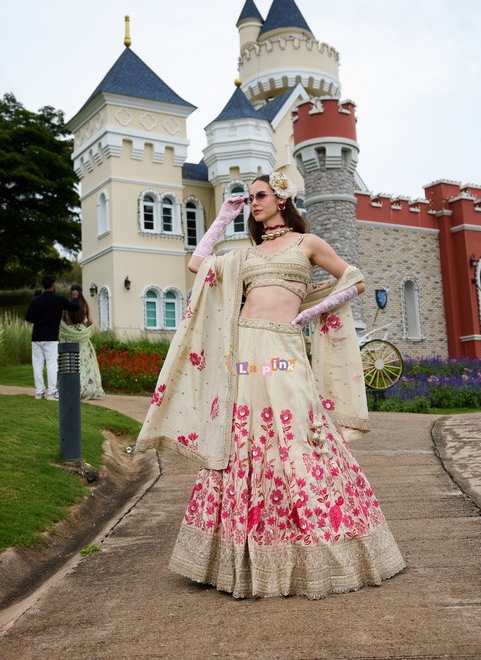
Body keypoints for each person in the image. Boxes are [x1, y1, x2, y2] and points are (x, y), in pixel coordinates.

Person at [136, 171, 405, 599]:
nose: (253, 203)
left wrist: (308, 314)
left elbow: (354, 279)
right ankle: (243, 555)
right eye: (249, 198)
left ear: (282, 198)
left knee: (299, 434)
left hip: (284, 351)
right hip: (244, 349)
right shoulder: (246, 254)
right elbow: (196, 264)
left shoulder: (307, 243)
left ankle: (325, 545)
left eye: (260, 195)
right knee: (244, 441)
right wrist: (222, 219)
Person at [25, 274, 80, 400]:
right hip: (50, 338)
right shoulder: (59, 299)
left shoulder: (35, 300)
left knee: (37, 365)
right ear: (53, 285)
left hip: (37, 337)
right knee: (51, 365)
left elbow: (28, 317)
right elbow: (75, 308)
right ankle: (52, 392)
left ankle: (39, 392)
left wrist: (39, 320)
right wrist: (75, 297)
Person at [60, 284, 104, 400]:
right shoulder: (85, 304)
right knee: (84, 362)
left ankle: (68, 388)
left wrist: (68, 325)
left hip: (69, 335)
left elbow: (61, 319)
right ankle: (85, 387)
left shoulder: (66, 304)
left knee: (69, 362)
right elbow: (90, 321)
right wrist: (82, 326)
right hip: (81, 334)